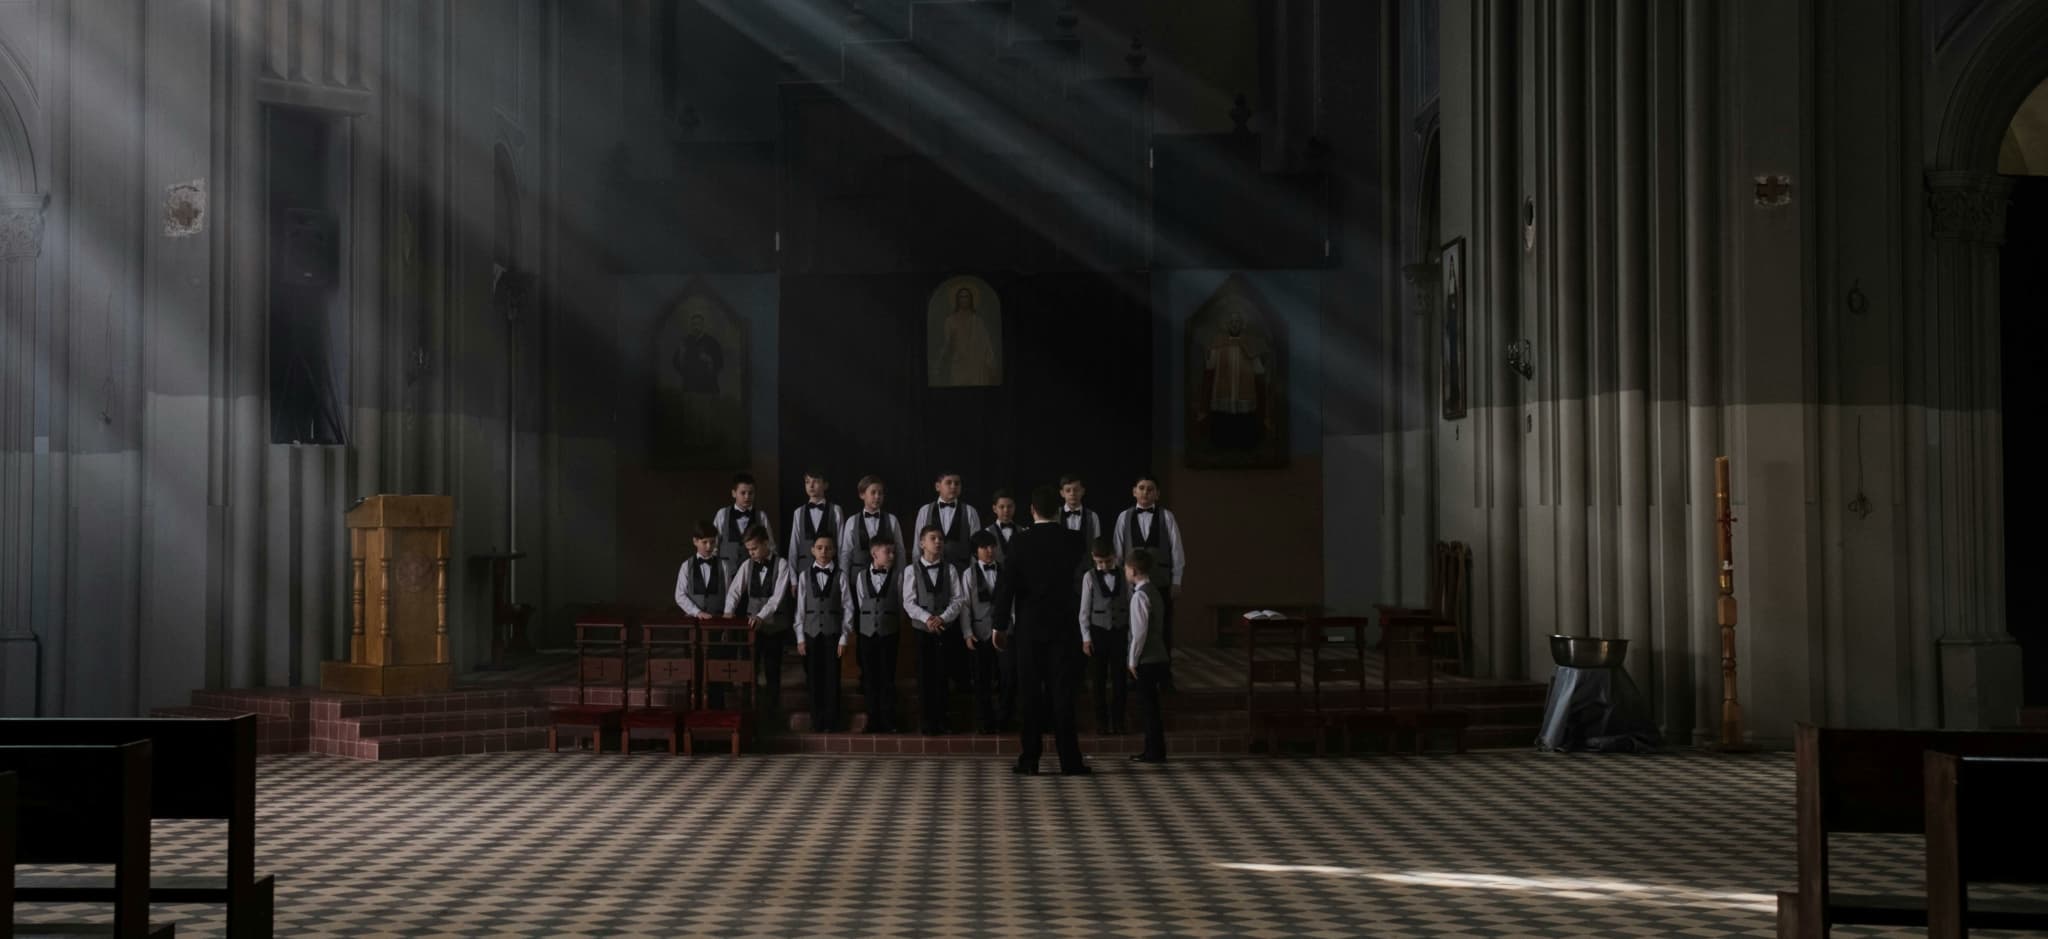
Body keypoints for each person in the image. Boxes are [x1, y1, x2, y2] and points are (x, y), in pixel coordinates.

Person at [992, 485, 1090, 776]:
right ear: (1058, 511)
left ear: (1031, 511)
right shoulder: (1074, 540)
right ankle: (1070, 761)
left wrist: (999, 624)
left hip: (1029, 628)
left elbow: (1007, 585)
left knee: (1031, 694)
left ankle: (1030, 759)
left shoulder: (1019, 542)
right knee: (1063, 694)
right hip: (1064, 626)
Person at [1112, 475, 1185, 686]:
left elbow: (1177, 551)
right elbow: (1118, 552)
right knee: (1133, 628)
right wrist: (1121, 581)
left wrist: (1176, 581)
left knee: (1162, 628)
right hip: (1131, 584)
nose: (1145, 492)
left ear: (1157, 494)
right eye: (1141, 488)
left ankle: (1163, 675)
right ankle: (1134, 673)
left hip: (1161, 582)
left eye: (1150, 489)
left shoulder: (1167, 517)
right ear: (1134, 491)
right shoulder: (1123, 517)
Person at [904, 526, 966, 735]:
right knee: (925, 677)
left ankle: (944, 720)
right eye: (933, 538)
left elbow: (958, 599)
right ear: (922, 543)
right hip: (922, 631)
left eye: (940, 538)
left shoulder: (949, 569)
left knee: (943, 675)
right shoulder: (911, 570)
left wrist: (942, 618)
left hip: (944, 629)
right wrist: (927, 618)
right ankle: (927, 722)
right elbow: (909, 602)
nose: (938, 542)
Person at [720, 527, 790, 711]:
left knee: (772, 672)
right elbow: (734, 591)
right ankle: (749, 710)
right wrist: (729, 612)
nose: (751, 553)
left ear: (766, 543)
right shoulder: (747, 565)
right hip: (752, 630)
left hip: (774, 627)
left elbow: (777, 598)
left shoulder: (782, 564)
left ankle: (773, 712)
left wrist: (761, 616)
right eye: (749, 550)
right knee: (749, 671)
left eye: (754, 548)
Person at [791, 533, 850, 732]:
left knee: (832, 679)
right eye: (820, 547)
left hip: (833, 635)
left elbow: (848, 608)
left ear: (834, 551)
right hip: (811, 634)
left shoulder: (841, 576)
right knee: (814, 680)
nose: (824, 551)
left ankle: (832, 723)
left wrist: (844, 637)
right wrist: (800, 638)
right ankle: (818, 722)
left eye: (828, 548)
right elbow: (799, 610)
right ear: (812, 550)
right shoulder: (804, 575)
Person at [849, 537, 906, 734]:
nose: (892, 556)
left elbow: (900, 603)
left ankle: (889, 720)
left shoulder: (898, 576)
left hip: (889, 632)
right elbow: (861, 600)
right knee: (870, 678)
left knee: (887, 678)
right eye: (887, 552)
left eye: (893, 552)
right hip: (866, 633)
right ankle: (872, 719)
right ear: (874, 554)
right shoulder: (861, 576)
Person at [1197, 305, 1269, 452]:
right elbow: (1210, 367)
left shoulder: (1250, 344)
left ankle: (1245, 446)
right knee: (1224, 422)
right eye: (1231, 321)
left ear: (1242, 324)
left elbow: (1258, 370)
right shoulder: (1217, 344)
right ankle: (1222, 445)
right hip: (1223, 391)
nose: (1234, 324)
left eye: (1237, 321)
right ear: (1226, 324)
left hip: (1245, 392)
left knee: (1244, 423)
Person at [1078, 538, 1129, 735]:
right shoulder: (1089, 577)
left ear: (1115, 557)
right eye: (1099, 562)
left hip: (1119, 631)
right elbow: (1084, 611)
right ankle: (1101, 721)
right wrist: (1086, 638)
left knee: (1119, 679)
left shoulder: (1125, 575)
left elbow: (1131, 602)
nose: (1104, 566)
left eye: (1107, 561)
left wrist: (1130, 634)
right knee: (1098, 680)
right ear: (1093, 558)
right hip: (1098, 632)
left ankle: (1118, 721)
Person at [963, 530, 1011, 734]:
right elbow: (964, 605)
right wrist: (966, 632)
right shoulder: (968, 573)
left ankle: (1005, 720)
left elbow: (1013, 602)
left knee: (1007, 678)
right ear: (976, 552)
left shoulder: (1005, 571)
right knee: (982, 680)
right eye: (984, 547)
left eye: (992, 546)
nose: (989, 551)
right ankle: (985, 721)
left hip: (1004, 632)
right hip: (979, 632)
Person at [1126, 548, 1170, 764]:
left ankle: (1153, 751)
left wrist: (1132, 660)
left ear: (1133, 570)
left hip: (1147, 659)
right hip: (1159, 655)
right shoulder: (1154, 591)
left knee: (1149, 709)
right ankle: (1155, 750)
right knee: (1152, 707)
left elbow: (1139, 632)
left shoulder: (1140, 596)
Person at [912, 472, 982, 571]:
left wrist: (973, 573)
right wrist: (917, 570)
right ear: (937, 486)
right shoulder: (925, 510)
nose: (953, 486)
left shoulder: (970, 511)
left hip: (962, 571)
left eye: (957, 483)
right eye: (949, 483)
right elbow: (917, 545)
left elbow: (976, 547)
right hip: (930, 571)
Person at [935, 285, 999, 387]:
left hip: (976, 366)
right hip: (958, 364)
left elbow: (987, 345)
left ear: (971, 299)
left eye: (967, 297)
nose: (964, 299)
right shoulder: (950, 321)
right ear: (957, 299)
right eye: (962, 297)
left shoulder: (978, 321)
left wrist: (990, 365)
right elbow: (947, 344)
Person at [839, 475, 904, 575]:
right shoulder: (852, 521)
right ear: (862, 495)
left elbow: (900, 551)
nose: (877, 496)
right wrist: (843, 580)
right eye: (873, 492)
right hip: (857, 578)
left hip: (887, 578)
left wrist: (901, 577)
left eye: (880, 493)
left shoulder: (892, 520)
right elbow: (846, 554)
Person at [788, 469, 846, 569]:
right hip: (804, 570)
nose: (811, 485)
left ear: (825, 485)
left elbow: (841, 546)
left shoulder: (836, 510)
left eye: (816, 481)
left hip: (831, 571)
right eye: (807, 482)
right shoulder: (798, 512)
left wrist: (842, 573)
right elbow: (794, 547)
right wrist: (793, 579)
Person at [673, 521, 731, 621]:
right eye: (705, 542)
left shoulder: (724, 565)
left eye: (712, 542)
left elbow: (729, 593)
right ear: (695, 541)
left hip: (718, 621)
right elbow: (680, 595)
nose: (709, 546)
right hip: (693, 621)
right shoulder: (686, 566)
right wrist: (697, 612)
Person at [713, 473, 772, 570]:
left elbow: (770, 546)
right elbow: (714, 546)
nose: (747, 497)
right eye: (743, 493)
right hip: (726, 572)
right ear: (733, 493)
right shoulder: (722, 514)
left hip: (753, 572)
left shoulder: (761, 516)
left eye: (751, 493)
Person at [1057, 475, 1102, 541]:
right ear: (1062, 493)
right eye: (1068, 490)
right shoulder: (1054, 515)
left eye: (1076, 490)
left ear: (1083, 491)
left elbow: (1095, 543)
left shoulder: (1092, 516)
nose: (1072, 493)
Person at [984, 489, 1020, 563]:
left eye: (1010, 506)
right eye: (1001, 507)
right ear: (994, 509)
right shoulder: (987, 532)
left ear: (1014, 507)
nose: (1006, 510)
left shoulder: (1024, 531)